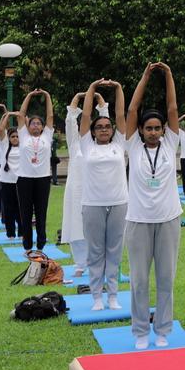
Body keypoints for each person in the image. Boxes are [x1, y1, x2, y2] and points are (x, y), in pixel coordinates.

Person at [124, 62, 182, 350]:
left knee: (165, 278)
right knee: (139, 280)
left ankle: (163, 328)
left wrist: (168, 76)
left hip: (168, 219)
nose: (153, 132)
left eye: (157, 128)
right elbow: (132, 111)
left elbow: (172, 109)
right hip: (138, 220)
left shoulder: (171, 143)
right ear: (141, 130)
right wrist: (146, 77)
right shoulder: (132, 146)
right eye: (148, 128)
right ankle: (139, 331)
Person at [79, 79, 128, 312]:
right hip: (93, 204)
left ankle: (113, 296)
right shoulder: (87, 145)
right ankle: (97, 297)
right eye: (100, 127)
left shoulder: (119, 143)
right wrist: (92, 89)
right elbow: (87, 115)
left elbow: (120, 114)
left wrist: (117, 88)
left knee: (114, 251)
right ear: (93, 131)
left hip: (118, 203)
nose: (104, 129)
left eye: (108, 127)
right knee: (95, 252)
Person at [62, 91, 100, 277]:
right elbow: (70, 122)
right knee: (75, 224)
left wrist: (101, 104)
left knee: (95, 226)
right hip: (76, 189)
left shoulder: (98, 144)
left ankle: (96, 261)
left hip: (95, 189)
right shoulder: (74, 144)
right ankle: (80, 263)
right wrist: (76, 98)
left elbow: (105, 123)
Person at [15, 89, 54, 252]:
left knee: (41, 213)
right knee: (25, 213)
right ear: (28, 125)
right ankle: (27, 245)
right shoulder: (23, 135)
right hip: (24, 179)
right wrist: (29, 96)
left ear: (43, 126)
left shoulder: (47, 136)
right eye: (33, 123)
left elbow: (50, 116)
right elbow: (21, 114)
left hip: (43, 179)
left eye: (39, 123)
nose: (36, 126)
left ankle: (41, 244)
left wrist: (47, 96)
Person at [0, 116, 21, 239]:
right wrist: (7, 115)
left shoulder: (24, 147)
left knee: (21, 208)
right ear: (9, 138)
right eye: (12, 136)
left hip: (21, 182)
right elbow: (1, 130)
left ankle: (22, 232)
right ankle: (10, 233)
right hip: (6, 181)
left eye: (17, 136)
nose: (15, 138)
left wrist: (21, 117)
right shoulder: (5, 145)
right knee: (8, 208)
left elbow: (25, 128)